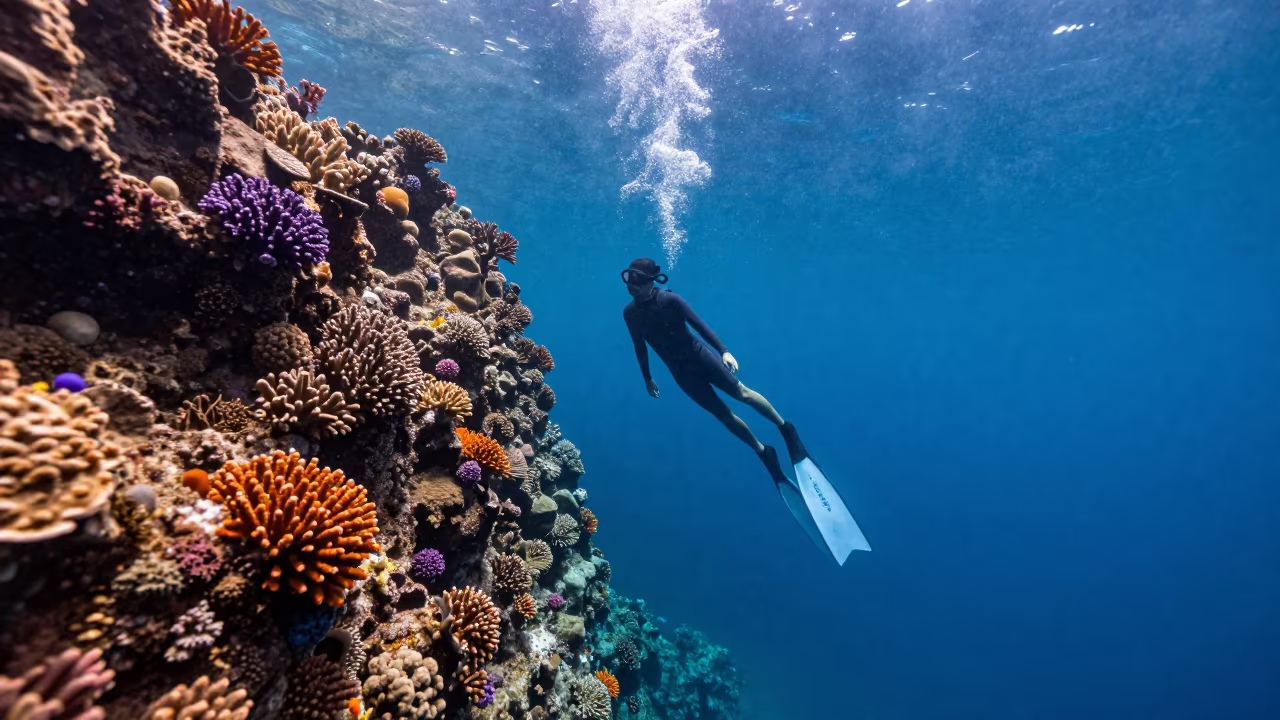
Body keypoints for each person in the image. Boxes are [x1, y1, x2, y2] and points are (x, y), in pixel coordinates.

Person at [621, 257, 872, 564]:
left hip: (701, 358)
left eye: (634, 279)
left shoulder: (671, 300)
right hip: (681, 373)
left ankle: (785, 429)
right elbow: (639, 346)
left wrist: (725, 351)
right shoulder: (630, 314)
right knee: (722, 414)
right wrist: (647, 377)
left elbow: (700, 326)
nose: (629, 285)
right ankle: (763, 451)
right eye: (627, 279)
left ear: (649, 280)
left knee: (741, 393)